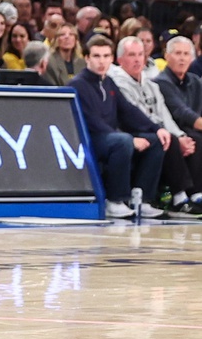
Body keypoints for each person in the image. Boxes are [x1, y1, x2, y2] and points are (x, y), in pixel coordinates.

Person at [70, 35, 167, 219]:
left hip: (110, 136)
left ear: (112, 58)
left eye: (106, 56)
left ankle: (142, 198)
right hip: (90, 138)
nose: (102, 61)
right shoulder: (78, 84)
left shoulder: (109, 82)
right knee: (122, 141)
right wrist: (130, 139)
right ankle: (114, 200)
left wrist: (156, 128)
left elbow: (128, 110)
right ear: (87, 58)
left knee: (155, 141)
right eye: (97, 56)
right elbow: (92, 122)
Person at [110, 36, 202, 216]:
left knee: (186, 138)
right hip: (132, 130)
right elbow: (133, 116)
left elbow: (164, 115)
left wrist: (180, 134)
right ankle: (179, 197)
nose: (137, 59)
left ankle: (195, 193)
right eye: (131, 55)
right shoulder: (118, 82)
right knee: (167, 140)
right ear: (120, 59)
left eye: (140, 55)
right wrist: (166, 132)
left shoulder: (149, 83)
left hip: (156, 129)